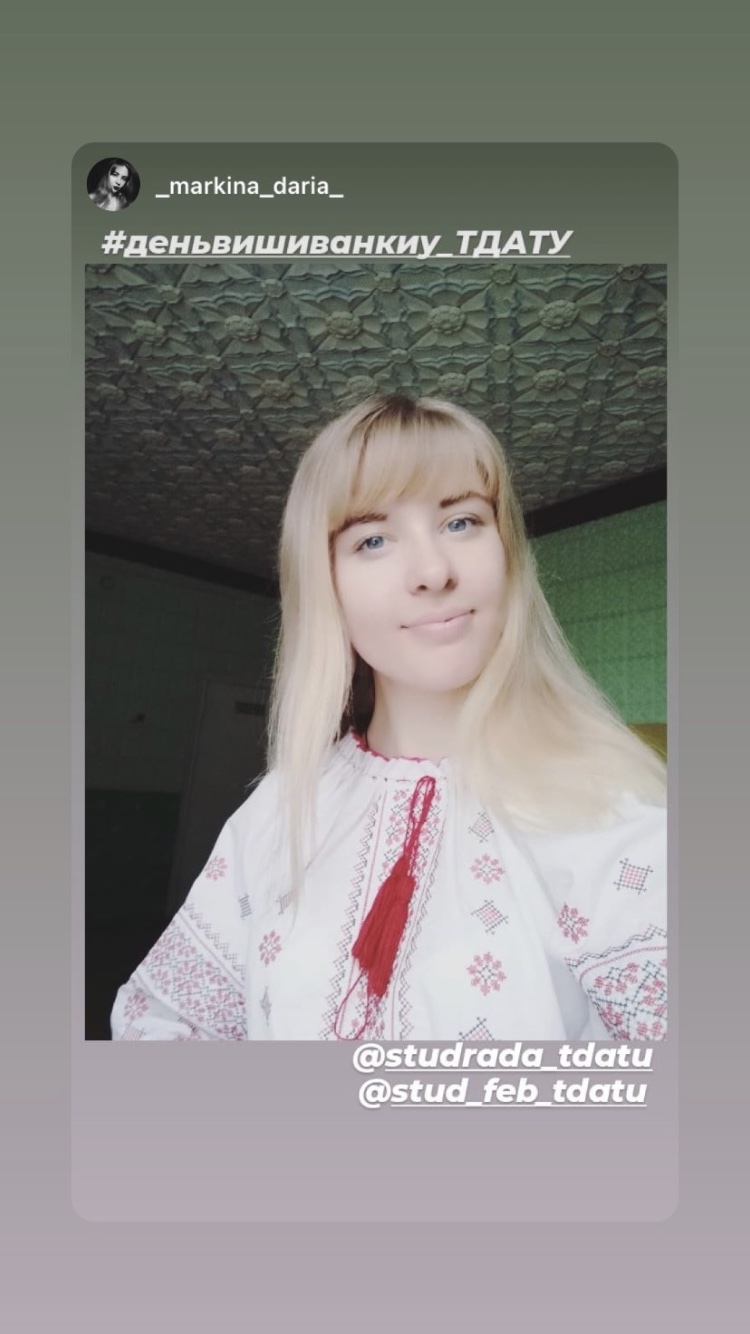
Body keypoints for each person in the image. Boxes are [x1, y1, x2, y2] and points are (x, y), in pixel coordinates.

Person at [111, 396, 667, 1042]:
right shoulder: (280, 809)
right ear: (325, 583)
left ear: (507, 551)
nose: (433, 572)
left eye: (462, 521)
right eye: (372, 540)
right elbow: (161, 1025)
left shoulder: (612, 810)